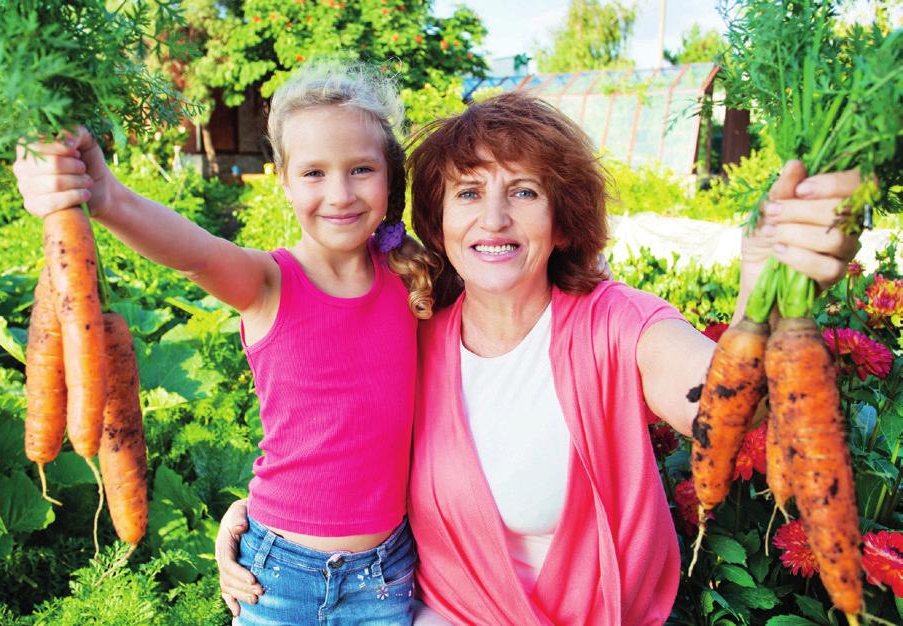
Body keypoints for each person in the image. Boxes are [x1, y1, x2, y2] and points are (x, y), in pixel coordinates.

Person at [216, 93, 862, 625]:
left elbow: (726, 405)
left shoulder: (614, 325)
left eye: (523, 192)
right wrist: (257, 521)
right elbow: (323, 421)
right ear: (438, 221)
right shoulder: (417, 332)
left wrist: (760, 301)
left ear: (562, 219)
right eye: (468, 193)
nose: (493, 219)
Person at [13, 61, 437, 625]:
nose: (339, 193)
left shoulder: (413, 283)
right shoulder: (268, 283)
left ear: (390, 176)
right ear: (282, 179)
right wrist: (107, 195)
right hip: (277, 579)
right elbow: (194, 252)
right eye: (314, 173)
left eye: (361, 169)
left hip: (385, 578)